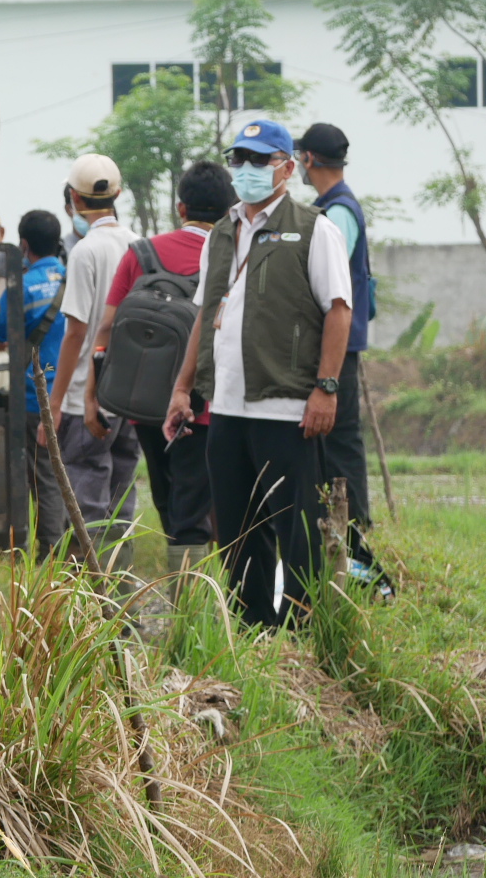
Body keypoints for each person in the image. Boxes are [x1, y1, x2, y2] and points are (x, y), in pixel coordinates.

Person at [166, 119, 354, 628]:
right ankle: (253, 630)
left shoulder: (314, 228)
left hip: (287, 406)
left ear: (288, 168)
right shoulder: (221, 234)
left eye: (259, 159)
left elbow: (339, 311)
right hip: (227, 407)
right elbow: (205, 315)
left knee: (297, 530)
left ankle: (302, 632)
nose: (246, 169)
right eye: (239, 159)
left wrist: (326, 389)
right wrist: (183, 388)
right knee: (237, 532)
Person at [86, 161, 235, 578]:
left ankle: (184, 591)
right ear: (229, 210)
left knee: (168, 500)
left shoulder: (142, 253)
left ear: (181, 207)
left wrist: (91, 396)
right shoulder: (230, 255)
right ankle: (190, 607)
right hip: (204, 408)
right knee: (196, 507)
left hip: (145, 404)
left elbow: (107, 327)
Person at [296, 123, 380, 578]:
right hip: (339, 345)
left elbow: (332, 286)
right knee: (334, 446)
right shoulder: (331, 207)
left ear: (308, 159)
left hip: (339, 348)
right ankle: (343, 544)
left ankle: (359, 547)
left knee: (342, 445)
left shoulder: (338, 211)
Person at [47, 154, 141, 553]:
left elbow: (76, 334)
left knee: (87, 508)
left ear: (74, 199)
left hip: (85, 397)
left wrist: (54, 403)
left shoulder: (85, 252)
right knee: (122, 502)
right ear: (117, 194)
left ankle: (93, 589)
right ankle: (122, 587)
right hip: (130, 394)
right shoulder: (140, 246)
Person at [0, 210, 67, 554]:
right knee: (75, 474)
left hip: (38, 397)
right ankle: (80, 549)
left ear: (23, 245)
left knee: (45, 478)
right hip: (77, 393)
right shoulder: (74, 277)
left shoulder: (22, 286)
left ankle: (51, 556)